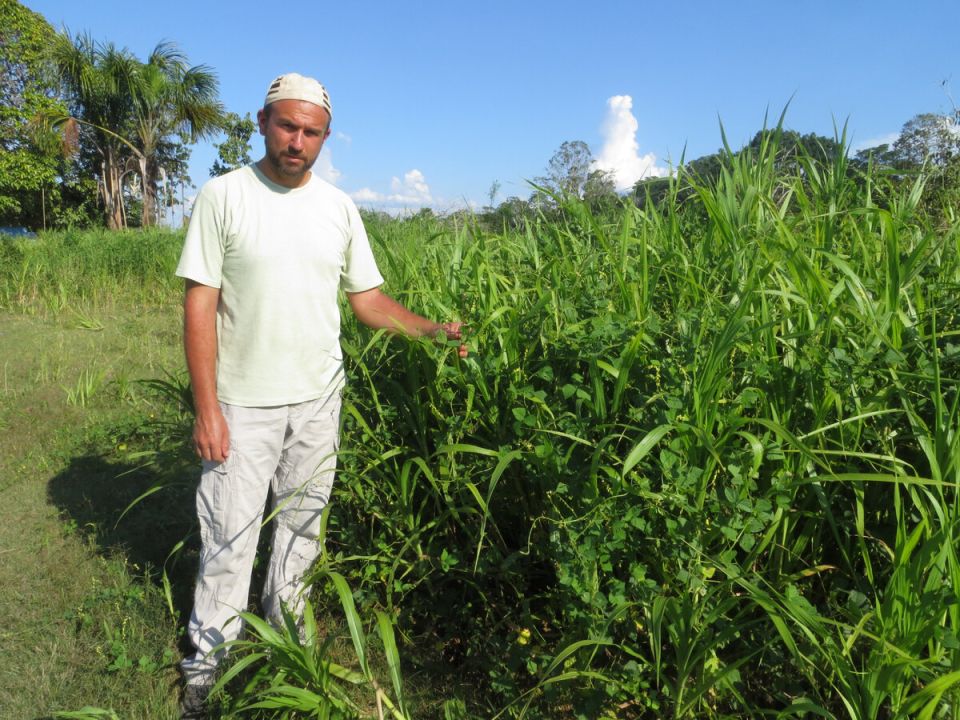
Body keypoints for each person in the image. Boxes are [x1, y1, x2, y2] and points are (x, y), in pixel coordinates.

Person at [175, 72, 465, 718]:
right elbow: (200, 306)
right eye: (286, 126)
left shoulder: (338, 209)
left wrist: (431, 333)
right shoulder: (223, 197)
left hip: (317, 404)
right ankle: (207, 667)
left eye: (310, 132)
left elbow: (367, 302)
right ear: (262, 122)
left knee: (302, 535)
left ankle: (288, 645)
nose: (296, 141)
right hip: (242, 406)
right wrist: (207, 408)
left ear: (326, 137)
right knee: (229, 536)